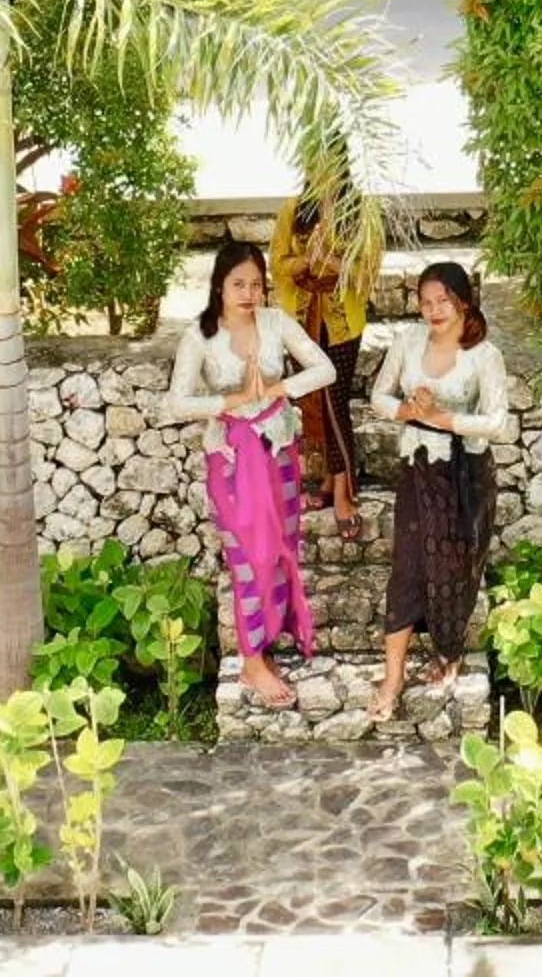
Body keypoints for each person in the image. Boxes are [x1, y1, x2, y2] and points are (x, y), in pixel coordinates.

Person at [163, 239, 336, 710]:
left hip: (278, 452)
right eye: (238, 283)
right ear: (219, 286)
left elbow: (325, 369)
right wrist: (234, 400)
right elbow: (176, 404)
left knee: (280, 552)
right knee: (248, 557)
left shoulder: (276, 323)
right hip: (233, 460)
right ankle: (252, 658)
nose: (248, 293)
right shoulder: (200, 336)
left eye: (256, 285)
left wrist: (278, 387)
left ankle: (267, 644)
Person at [366, 261, 511, 722]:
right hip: (419, 470)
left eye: (442, 300)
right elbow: (378, 397)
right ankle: (393, 677)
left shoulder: (483, 354)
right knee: (407, 569)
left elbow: (497, 422)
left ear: (462, 301)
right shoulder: (408, 342)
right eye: (425, 302)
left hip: (464, 474)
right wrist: (409, 410)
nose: (432, 310)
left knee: (454, 567)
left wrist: (444, 417)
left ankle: (448, 651)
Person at [269, 171, 375, 544]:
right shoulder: (294, 209)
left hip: (343, 321)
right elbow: (277, 262)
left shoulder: (361, 211)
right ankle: (330, 480)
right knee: (314, 401)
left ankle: (345, 492)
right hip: (303, 319)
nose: (322, 168)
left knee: (334, 402)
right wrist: (303, 265)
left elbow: (368, 270)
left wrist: (329, 261)